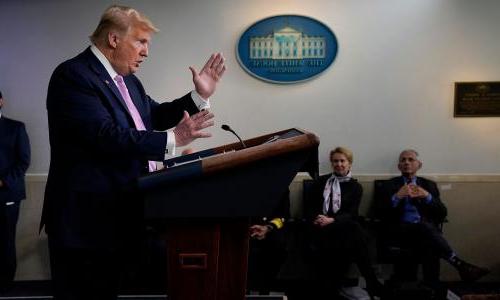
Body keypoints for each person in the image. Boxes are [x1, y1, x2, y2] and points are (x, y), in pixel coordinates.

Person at [40, 5, 226, 299]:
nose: (146, 52)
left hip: (117, 218)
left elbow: (153, 115)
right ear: (114, 39)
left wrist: (198, 96)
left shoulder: (127, 80)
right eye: (141, 41)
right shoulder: (73, 75)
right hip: (85, 223)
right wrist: (172, 139)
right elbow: (104, 136)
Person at [377, 149, 489, 284]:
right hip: (401, 230)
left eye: (411, 159)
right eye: (403, 160)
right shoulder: (389, 185)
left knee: (428, 237)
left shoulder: (429, 185)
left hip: (425, 231)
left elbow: (442, 213)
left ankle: (431, 285)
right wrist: (397, 196)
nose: (406, 162)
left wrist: (427, 196)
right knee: (427, 230)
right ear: (399, 166)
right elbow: (379, 212)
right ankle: (459, 265)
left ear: (419, 165)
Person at [305, 147, 383, 299]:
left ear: (349, 164)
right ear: (331, 163)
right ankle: (371, 281)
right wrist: (319, 218)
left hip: (341, 228)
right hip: (320, 227)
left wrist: (332, 220)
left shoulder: (355, 187)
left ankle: (336, 287)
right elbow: (309, 207)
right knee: (355, 232)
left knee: (351, 228)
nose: (339, 164)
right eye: (335, 161)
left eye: (342, 161)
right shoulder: (320, 182)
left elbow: (351, 213)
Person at [0, 91, 31, 292]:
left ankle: (6, 288)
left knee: (5, 242)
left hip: (7, 195)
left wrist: (3, 182)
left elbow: (23, 161)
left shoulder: (16, 127)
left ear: (1, 101)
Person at [247, 191, 290, 295]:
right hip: (247, 228)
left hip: (270, 230)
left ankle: (265, 291)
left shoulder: (281, 186)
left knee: (278, 247)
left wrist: (268, 228)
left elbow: (284, 217)